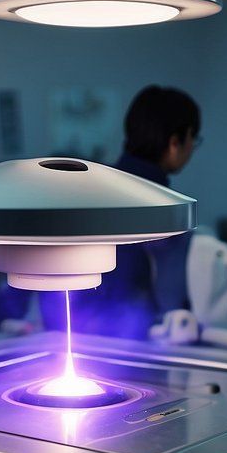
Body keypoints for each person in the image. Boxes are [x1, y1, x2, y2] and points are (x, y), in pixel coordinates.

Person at [37, 84, 201, 339]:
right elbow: (169, 304)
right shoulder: (164, 211)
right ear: (175, 142)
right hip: (130, 353)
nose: (192, 150)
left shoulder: (88, 189)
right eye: (194, 140)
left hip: (67, 340)